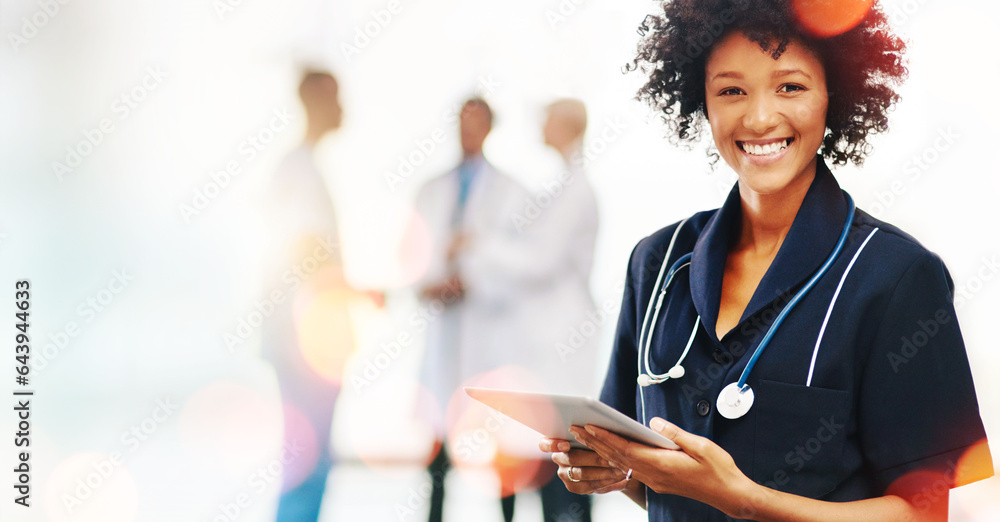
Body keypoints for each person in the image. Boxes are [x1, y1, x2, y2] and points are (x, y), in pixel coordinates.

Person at [539, 1, 993, 520]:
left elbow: (924, 514)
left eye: (790, 87)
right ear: (702, 103)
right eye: (731, 90)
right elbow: (651, 472)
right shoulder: (657, 263)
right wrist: (613, 471)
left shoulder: (898, 278)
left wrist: (739, 497)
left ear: (833, 96)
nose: (758, 117)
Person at [409, 98, 531, 522]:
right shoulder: (430, 189)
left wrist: (473, 279)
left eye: (476, 121)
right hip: (445, 331)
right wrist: (430, 284)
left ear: (490, 127)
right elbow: (414, 256)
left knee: (499, 444)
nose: (468, 129)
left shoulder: (513, 192)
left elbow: (520, 265)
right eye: (461, 121)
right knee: (438, 450)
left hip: (488, 331)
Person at [261, 70, 362, 522]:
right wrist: (356, 290)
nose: (345, 107)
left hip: (304, 336)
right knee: (308, 459)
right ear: (317, 101)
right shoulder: (299, 169)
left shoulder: (303, 166)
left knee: (308, 457)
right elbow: (305, 254)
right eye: (337, 97)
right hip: (305, 342)